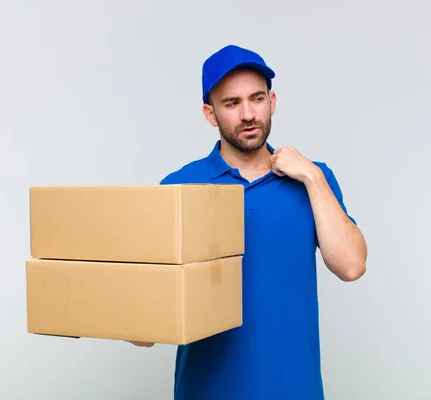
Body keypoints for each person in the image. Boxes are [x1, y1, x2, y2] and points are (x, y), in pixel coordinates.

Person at [130, 44, 368, 400]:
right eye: (232, 103)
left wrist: (313, 179)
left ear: (272, 101)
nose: (248, 114)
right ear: (210, 114)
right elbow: (142, 331)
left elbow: (351, 266)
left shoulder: (313, 180)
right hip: (206, 391)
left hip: (294, 389)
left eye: (256, 99)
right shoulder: (178, 188)